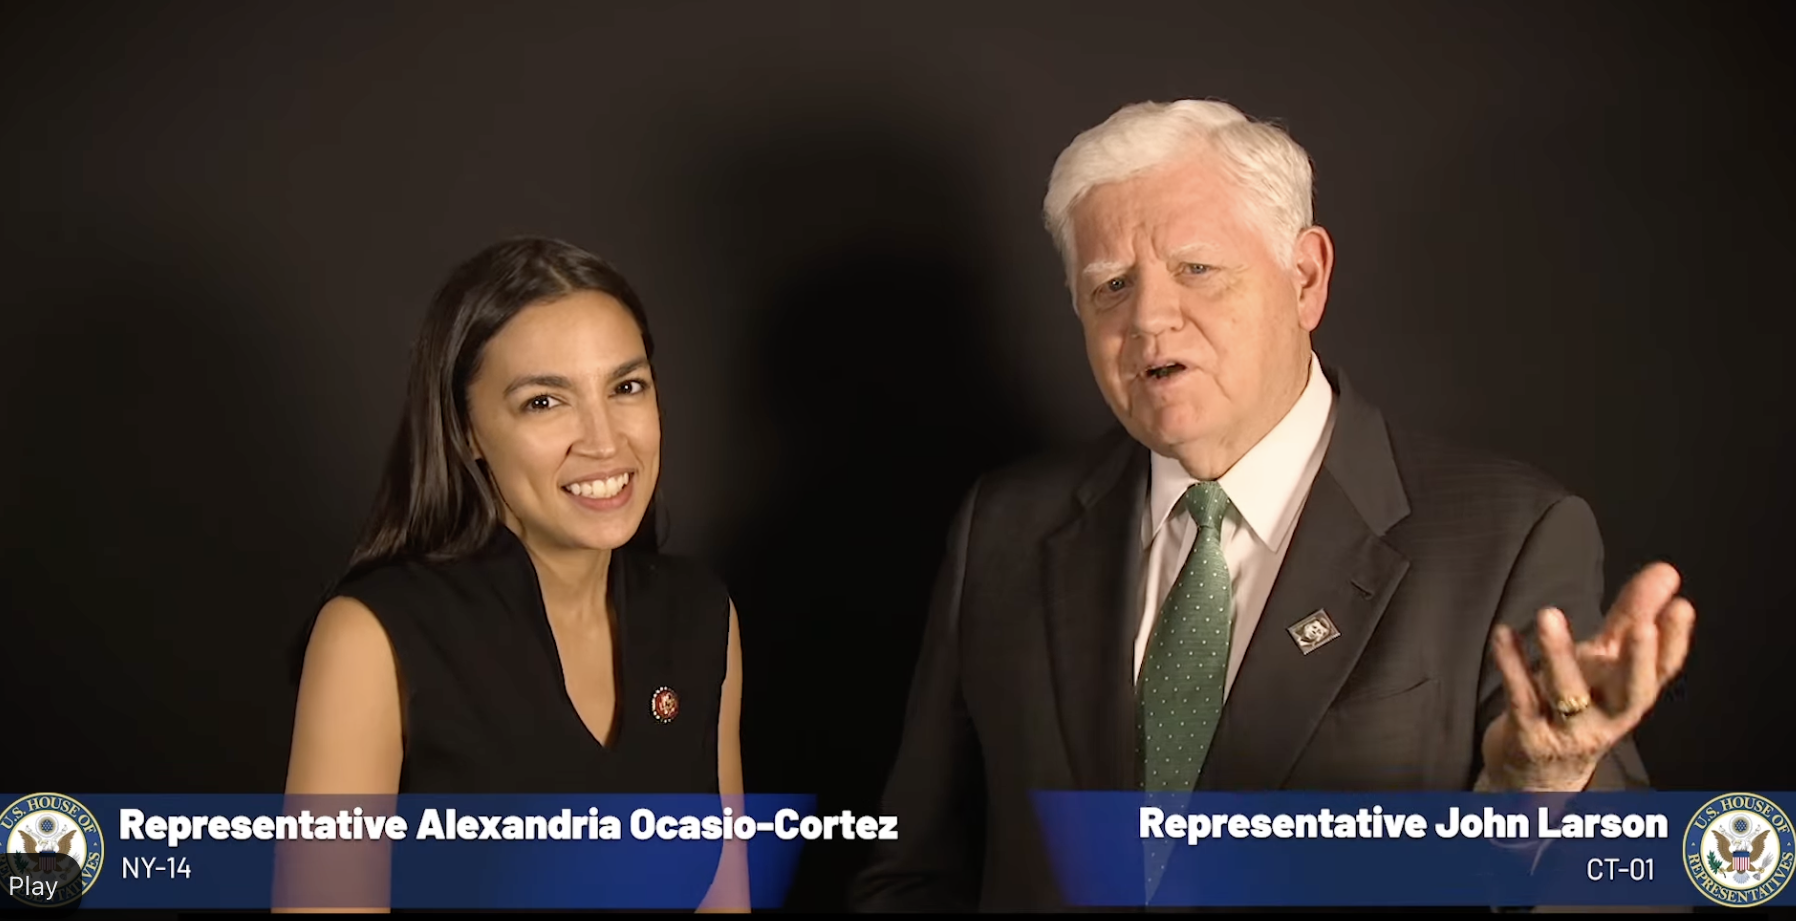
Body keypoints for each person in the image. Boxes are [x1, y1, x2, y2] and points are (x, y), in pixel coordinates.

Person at [850, 100, 1697, 911]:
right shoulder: (1003, 528)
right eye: (1111, 285)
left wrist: (1536, 797)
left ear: (1304, 277)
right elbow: (910, 869)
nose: (1149, 318)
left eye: (1197, 269)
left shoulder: (1506, 535)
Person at [282, 236, 747, 911]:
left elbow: (723, 902)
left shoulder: (701, 615)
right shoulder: (371, 636)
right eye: (544, 402)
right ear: (467, 430)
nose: (604, 440)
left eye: (626, 387)